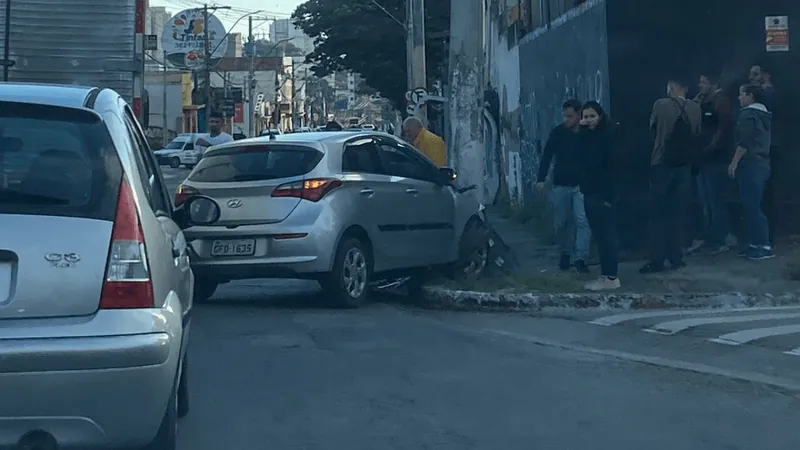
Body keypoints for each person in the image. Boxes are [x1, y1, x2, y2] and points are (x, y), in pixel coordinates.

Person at [641, 79, 702, 273]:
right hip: (684, 166)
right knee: (676, 213)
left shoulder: (661, 105)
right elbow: (697, 134)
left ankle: (657, 259)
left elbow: (652, 131)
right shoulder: (695, 108)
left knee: (658, 214)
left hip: (661, 163)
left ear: (673, 86)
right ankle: (676, 257)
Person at [536, 99, 591, 273]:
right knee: (561, 223)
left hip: (582, 185)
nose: (567, 119)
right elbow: (547, 155)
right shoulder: (558, 133)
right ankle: (565, 253)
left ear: (578, 115)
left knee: (583, 221)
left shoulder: (586, 133)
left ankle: (581, 258)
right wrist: (541, 178)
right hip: (561, 183)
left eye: (570, 116)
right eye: (565, 116)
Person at [578, 101, 620, 291]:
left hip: (602, 193)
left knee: (606, 235)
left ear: (600, 116)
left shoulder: (607, 136)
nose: (588, 120)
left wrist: (609, 196)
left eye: (591, 116)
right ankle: (605, 275)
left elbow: (612, 168)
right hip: (590, 191)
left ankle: (611, 277)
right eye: (585, 117)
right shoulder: (588, 137)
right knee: (599, 235)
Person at [729, 84, 773, 260]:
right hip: (763, 163)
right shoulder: (764, 115)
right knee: (753, 205)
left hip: (751, 164)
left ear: (750, 96)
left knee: (752, 206)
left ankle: (763, 245)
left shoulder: (748, 115)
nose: (739, 98)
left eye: (741, 94)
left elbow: (744, 142)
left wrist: (734, 163)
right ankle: (757, 243)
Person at [692, 73, 735, 254]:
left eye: (704, 82)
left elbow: (723, 129)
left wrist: (711, 147)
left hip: (716, 159)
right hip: (703, 159)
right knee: (706, 201)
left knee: (715, 200)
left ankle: (720, 239)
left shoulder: (721, 102)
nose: (700, 85)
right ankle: (710, 237)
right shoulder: (704, 101)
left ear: (714, 83)